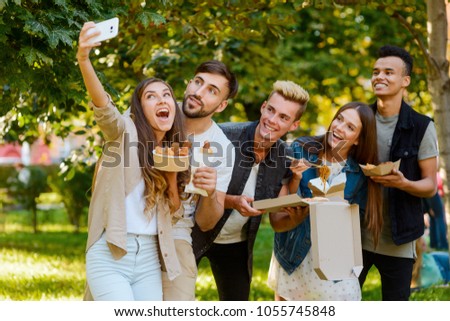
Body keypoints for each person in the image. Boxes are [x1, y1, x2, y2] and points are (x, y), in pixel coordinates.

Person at [77, 21, 188, 300]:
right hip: (112, 251)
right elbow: (104, 108)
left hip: (150, 257)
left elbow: (174, 213)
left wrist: (172, 172)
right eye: (151, 96)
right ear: (139, 109)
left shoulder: (173, 149)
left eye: (167, 95)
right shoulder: (123, 132)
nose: (162, 100)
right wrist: (84, 59)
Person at [192, 80, 310, 300]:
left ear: (294, 125)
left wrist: (296, 187)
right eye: (271, 110)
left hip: (236, 244)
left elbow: (278, 220)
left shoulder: (284, 156)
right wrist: (234, 201)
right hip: (194, 233)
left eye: (284, 117)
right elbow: (192, 187)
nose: (272, 120)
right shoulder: (223, 135)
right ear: (263, 106)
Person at [267, 102, 382, 301]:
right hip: (293, 254)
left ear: (358, 140)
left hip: (334, 259)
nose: (339, 127)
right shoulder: (300, 149)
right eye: (339, 119)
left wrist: (338, 209)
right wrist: (295, 178)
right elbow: (282, 204)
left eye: (350, 127)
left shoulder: (358, 174)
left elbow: (360, 219)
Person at [358, 45, 439, 300]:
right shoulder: (360, 118)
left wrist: (403, 183)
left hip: (399, 237)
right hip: (355, 234)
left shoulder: (421, 126)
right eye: (375, 71)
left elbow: (429, 185)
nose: (379, 77)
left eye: (388, 72)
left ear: (405, 81)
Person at [161, 60, 238, 300]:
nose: (198, 92)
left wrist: (211, 192)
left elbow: (206, 223)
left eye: (212, 91)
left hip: (176, 232)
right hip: (135, 222)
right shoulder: (158, 109)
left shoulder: (222, 147)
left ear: (222, 105)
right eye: (198, 82)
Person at [423, 173, 448, 250]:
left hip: (424, 189)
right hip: (431, 189)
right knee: (439, 217)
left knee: (433, 218)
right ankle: (442, 244)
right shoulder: (434, 173)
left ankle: (434, 243)